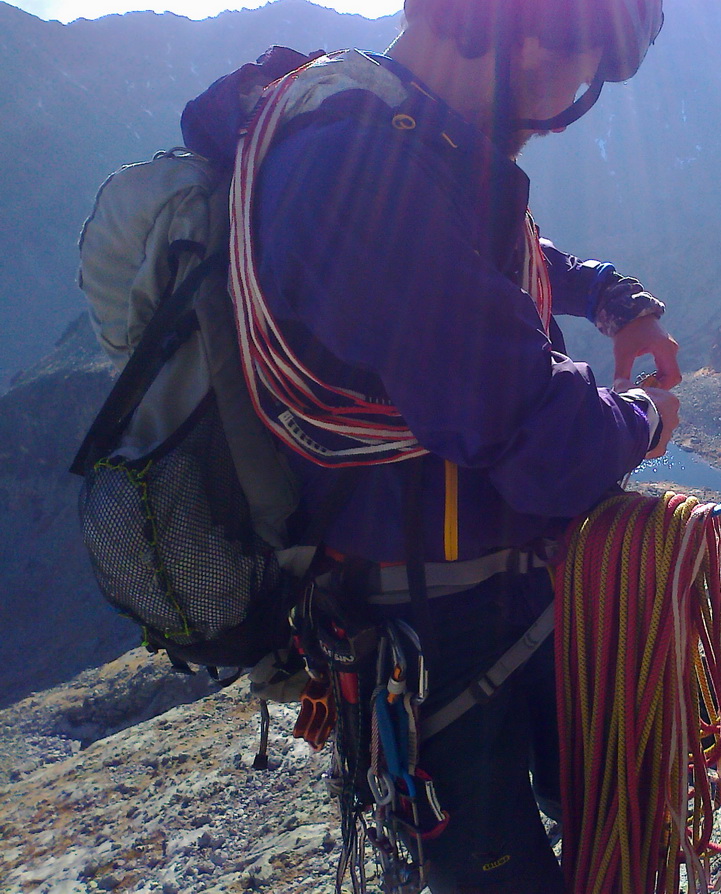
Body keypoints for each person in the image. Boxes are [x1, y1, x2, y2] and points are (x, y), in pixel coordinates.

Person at [182, 0, 676, 890]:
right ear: (520, 32)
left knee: (621, 822)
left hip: (492, 595)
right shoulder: (345, 168)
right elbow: (539, 435)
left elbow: (474, 254)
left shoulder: (390, 133)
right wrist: (644, 416)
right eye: (571, 76)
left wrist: (611, 297)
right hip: (434, 636)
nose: (561, 110)